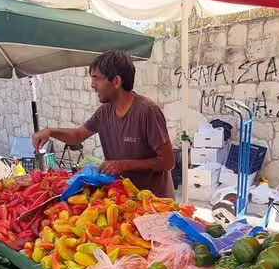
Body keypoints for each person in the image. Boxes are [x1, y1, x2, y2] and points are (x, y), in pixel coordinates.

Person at [32, 50, 176, 198]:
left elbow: (167, 162)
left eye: (96, 79)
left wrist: (123, 165)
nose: (92, 85)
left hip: (155, 202)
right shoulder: (104, 112)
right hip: (125, 199)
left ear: (116, 82)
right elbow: (77, 135)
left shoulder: (147, 111)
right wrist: (50, 131)